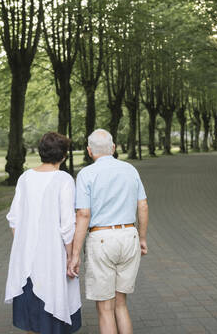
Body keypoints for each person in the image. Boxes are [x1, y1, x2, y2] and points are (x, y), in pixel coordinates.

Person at [68, 129, 148, 334]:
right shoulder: (130, 169)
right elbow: (143, 205)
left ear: (89, 151)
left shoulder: (86, 174)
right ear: (113, 148)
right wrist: (143, 238)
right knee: (121, 304)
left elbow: (83, 215)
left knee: (105, 308)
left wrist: (75, 254)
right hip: (129, 236)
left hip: (102, 239)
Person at [5, 132, 81, 334]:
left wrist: (25, 243)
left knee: (31, 318)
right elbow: (67, 225)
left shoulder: (25, 177)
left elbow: (14, 218)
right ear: (64, 156)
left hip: (25, 260)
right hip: (52, 259)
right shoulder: (64, 179)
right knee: (51, 316)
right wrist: (71, 256)